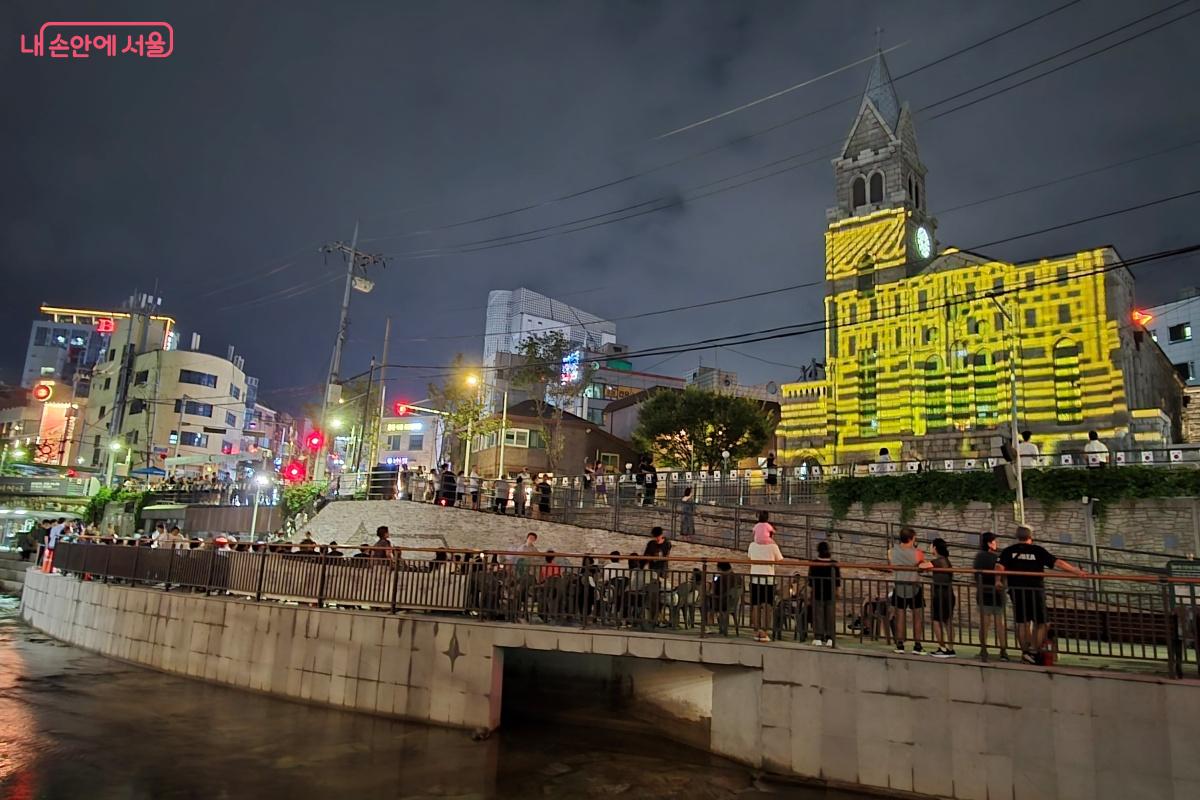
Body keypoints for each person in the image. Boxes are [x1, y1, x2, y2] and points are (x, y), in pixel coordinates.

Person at [999, 525, 1086, 664]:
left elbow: (999, 567)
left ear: (1017, 537)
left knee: (1022, 622)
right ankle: (1033, 650)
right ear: (1030, 537)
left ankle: (1025, 653)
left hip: (1016, 590)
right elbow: (1058, 563)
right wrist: (1076, 571)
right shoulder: (1038, 550)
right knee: (1043, 622)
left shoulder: (1008, 551)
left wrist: (998, 581)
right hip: (1035, 590)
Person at [889, 526, 932, 655]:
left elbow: (892, 565)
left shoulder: (892, 551)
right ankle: (917, 645)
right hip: (914, 587)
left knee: (900, 616)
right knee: (917, 617)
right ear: (911, 538)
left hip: (899, 586)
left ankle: (900, 644)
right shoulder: (917, 553)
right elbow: (923, 566)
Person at [747, 511, 784, 642]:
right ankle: (765, 631)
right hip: (768, 579)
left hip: (755, 578)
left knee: (756, 605)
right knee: (768, 606)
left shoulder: (752, 545)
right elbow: (779, 560)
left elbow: (750, 558)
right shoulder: (773, 546)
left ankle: (756, 630)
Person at [972, 532, 1009, 662]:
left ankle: (983, 649)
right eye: (994, 541)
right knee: (1000, 623)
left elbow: (975, 575)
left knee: (984, 624)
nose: (996, 544)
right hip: (997, 592)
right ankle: (1003, 650)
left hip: (983, 592)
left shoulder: (978, 557)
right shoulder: (997, 558)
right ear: (989, 543)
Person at [807, 540, 841, 646]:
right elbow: (837, 581)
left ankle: (818, 637)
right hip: (830, 592)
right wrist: (837, 592)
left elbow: (810, 581)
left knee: (818, 615)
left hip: (817, 592)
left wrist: (810, 592)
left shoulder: (814, 563)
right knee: (830, 615)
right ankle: (830, 637)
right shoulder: (834, 564)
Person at [929, 538, 957, 658]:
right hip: (949, 594)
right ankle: (950, 648)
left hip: (940, 594)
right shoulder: (947, 560)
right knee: (948, 621)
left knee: (936, 621)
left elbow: (923, 566)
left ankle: (942, 647)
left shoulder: (938, 561)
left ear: (935, 548)